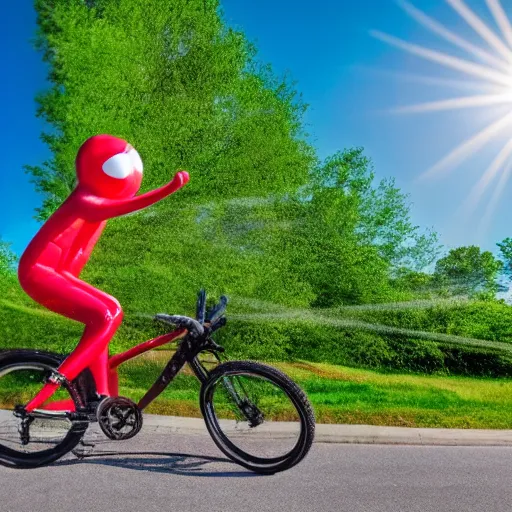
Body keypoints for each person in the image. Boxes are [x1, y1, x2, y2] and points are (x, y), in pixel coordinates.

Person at [18, 134, 189, 411]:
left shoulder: (95, 203)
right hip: (40, 272)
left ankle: (98, 398)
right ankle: (59, 379)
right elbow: (123, 206)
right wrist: (168, 188)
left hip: (58, 274)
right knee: (110, 312)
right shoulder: (85, 198)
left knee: (102, 320)